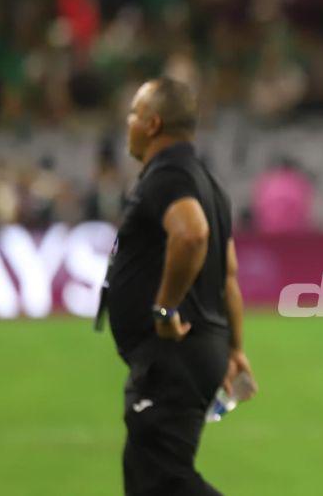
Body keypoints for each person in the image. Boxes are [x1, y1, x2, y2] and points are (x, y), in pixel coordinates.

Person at [97, 77, 255, 494]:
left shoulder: (168, 175)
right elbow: (229, 274)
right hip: (198, 352)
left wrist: (165, 308)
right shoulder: (209, 184)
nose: (127, 123)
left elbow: (191, 235)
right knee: (149, 476)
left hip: (173, 354)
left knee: (160, 481)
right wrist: (235, 349)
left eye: (133, 114)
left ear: (152, 124)